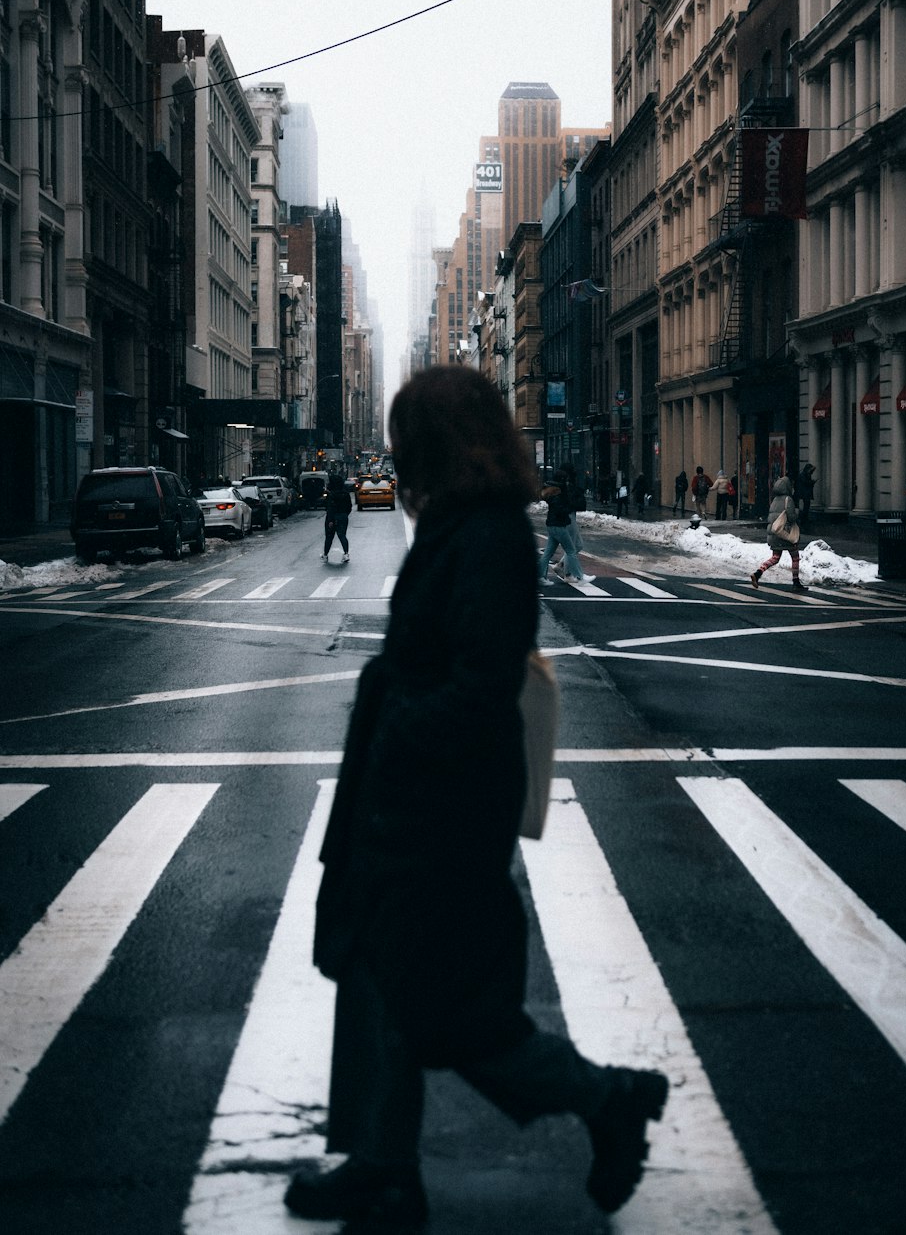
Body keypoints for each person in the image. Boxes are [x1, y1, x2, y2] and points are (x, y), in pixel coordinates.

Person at [285, 367, 666, 1229]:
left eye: (408, 438)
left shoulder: (486, 536)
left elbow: (480, 683)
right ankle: (381, 1163)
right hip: (413, 802)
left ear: (441, 444)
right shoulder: (462, 526)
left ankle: (607, 1100)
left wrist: (394, 737)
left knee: (448, 1009)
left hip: (440, 809)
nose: (398, 457)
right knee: (379, 977)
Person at [749, 475, 807, 592]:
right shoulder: (788, 500)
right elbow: (791, 518)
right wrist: (797, 512)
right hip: (785, 534)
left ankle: (758, 572)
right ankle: (796, 582)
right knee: (795, 557)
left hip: (775, 534)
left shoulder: (774, 500)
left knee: (775, 557)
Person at [539, 470, 593, 585]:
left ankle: (540, 576)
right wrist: (569, 508)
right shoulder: (558, 493)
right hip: (559, 525)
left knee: (548, 553)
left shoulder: (551, 491)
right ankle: (580, 576)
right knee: (570, 551)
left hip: (552, 524)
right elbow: (561, 509)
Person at [322, 474, 353, 562]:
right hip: (343, 516)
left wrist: (331, 520)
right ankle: (346, 553)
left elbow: (330, 508)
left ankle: (325, 555)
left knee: (329, 537)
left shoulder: (331, 494)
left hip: (332, 517)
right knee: (342, 535)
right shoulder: (345, 493)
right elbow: (349, 506)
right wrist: (345, 514)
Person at [794, 463, 816, 529]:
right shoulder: (804, 475)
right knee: (806, 506)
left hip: (805, 493)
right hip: (805, 493)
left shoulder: (804, 474)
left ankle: (804, 519)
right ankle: (803, 519)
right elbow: (806, 483)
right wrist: (812, 482)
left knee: (806, 506)